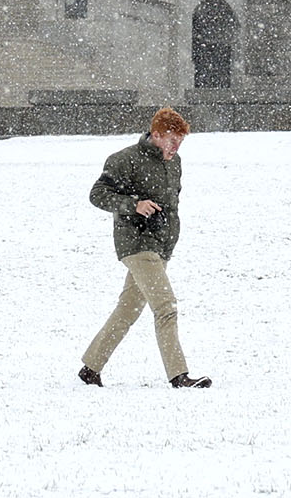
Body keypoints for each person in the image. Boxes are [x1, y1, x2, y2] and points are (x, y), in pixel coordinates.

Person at [78, 106, 209, 388]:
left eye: (181, 141)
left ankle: (91, 367)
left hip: (161, 246)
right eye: (172, 140)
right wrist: (134, 205)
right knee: (166, 307)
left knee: (127, 310)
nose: (176, 147)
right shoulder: (124, 160)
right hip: (136, 244)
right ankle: (179, 375)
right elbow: (97, 194)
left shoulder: (175, 163)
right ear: (157, 134)